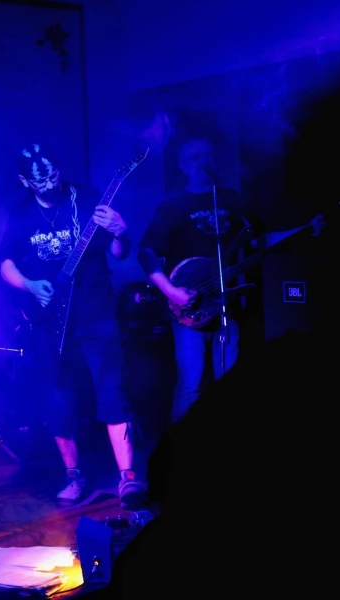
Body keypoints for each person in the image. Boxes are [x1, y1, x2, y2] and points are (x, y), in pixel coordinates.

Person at [0, 143, 146, 507]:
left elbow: (120, 253)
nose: (49, 184)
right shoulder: (21, 215)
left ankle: (128, 477)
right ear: (24, 181)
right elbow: (5, 263)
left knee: (112, 389)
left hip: (95, 313)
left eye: (52, 175)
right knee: (58, 396)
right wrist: (30, 285)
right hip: (48, 320)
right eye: (39, 180)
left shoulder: (86, 197)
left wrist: (122, 232)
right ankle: (73, 476)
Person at [137, 136, 323, 423]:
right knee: (191, 383)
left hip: (227, 303)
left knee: (228, 382)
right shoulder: (172, 205)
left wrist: (305, 229)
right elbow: (146, 252)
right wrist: (172, 292)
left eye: (207, 155)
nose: (202, 161)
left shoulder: (233, 200)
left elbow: (261, 240)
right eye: (195, 157)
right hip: (189, 307)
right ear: (183, 165)